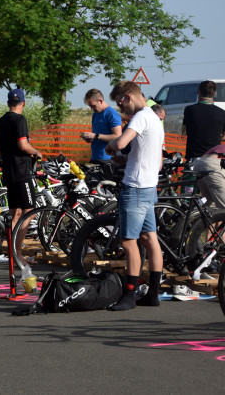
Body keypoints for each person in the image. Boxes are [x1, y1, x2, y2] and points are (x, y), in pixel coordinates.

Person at [105, 81, 164, 310]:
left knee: (129, 242)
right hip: (150, 187)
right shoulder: (155, 119)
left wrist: (112, 147)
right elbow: (153, 159)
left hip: (136, 188)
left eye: (120, 104)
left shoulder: (140, 117)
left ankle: (129, 296)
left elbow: (120, 141)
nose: (122, 111)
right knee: (150, 240)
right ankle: (153, 294)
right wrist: (127, 159)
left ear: (128, 96)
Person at [0, 89, 42, 271]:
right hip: (22, 172)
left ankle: (12, 251)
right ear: (24, 102)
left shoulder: (2, 120)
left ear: (8, 103)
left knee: (16, 214)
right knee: (30, 212)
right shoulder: (20, 120)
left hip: (9, 172)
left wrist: (8, 155)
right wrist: (35, 151)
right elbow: (23, 144)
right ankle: (17, 253)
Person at [182, 80, 225, 160]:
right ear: (214, 94)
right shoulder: (222, 113)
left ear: (199, 92)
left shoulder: (189, 110)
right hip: (213, 158)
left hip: (193, 157)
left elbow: (186, 130)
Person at [79, 88, 123, 163]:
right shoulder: (95, 114)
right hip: (95, 158)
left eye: (93, 106)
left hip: (108, 159)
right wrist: (90, 138)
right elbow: (97, 135)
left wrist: (95, 136)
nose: (92, 109)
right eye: (90, 107)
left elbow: (118, 137)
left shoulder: (112, 114)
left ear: (100, 101)